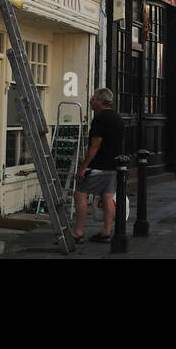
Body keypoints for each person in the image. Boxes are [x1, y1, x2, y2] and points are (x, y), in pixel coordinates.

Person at [72, 88, 124, 245]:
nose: (90, 101)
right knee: (107, 196)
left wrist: (83, 167)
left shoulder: (100, 119)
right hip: (113, 165)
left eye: (93, 99)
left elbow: (95, 145)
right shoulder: (117, 118)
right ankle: (106, 232)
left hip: (97, 165)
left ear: (101, 101)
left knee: (80, 194)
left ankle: (78, 232)